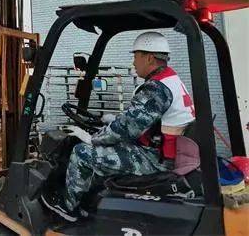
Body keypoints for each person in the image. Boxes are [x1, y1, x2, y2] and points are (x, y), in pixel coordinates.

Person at [41, 31, 196, 222]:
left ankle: (68, 209)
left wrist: (92, 138)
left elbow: (126, 128)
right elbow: (142, 119)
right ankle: (91, 200)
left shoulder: (156, 89)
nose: (133, 62)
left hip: (154, 159)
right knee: (105, 147)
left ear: (149, 58)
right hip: (162, 150)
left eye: (136, 56)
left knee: (82, 153)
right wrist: (112, 119)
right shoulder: (170, 80)